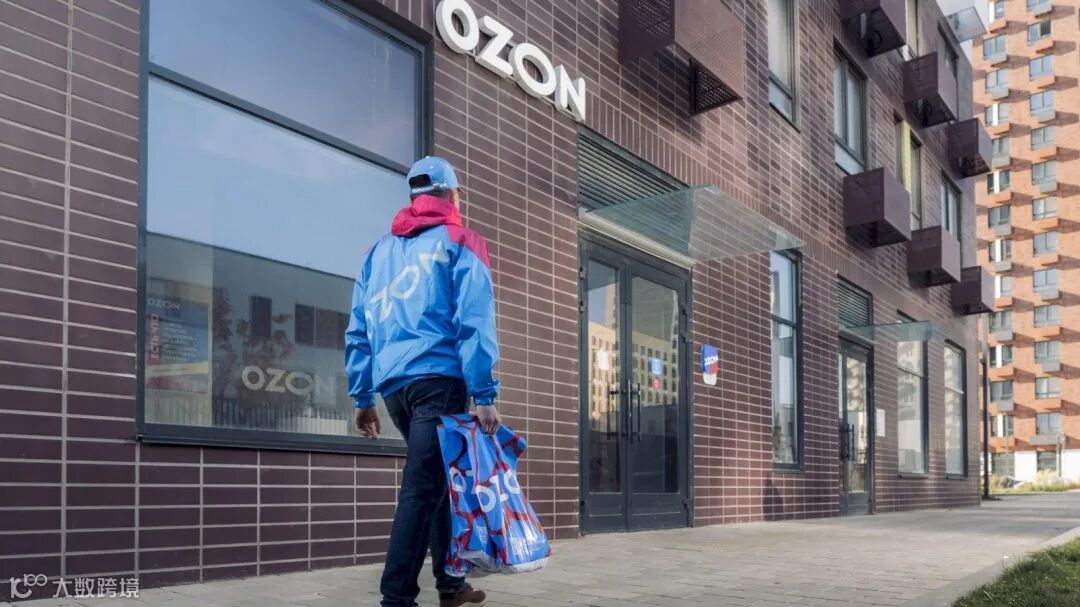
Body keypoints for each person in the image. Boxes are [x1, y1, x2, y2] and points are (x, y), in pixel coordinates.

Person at [345, 156, 500, 607]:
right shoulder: (462, 241)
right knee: (422, 488)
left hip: (395, 389)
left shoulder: (377, 254)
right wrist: (484, 392)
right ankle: (396, 599)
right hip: (439, 382)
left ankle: (451, 586)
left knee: (437, 484)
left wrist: (363, 395)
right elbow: (474, 319)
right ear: (453, 195)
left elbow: (358, 329)